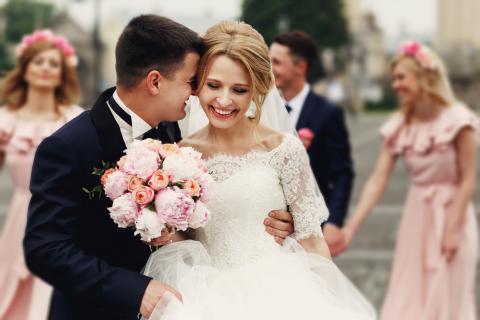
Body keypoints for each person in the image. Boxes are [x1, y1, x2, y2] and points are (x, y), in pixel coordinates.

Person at [23, 15, 293, 320]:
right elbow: (45, 248)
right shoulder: (69, 146)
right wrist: (134, 290)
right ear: (155, 81)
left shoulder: (173, 134)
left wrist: (270, 218)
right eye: (192, 82)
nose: (195, 93)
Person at [143, 20, 376, 320]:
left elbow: (311, 240)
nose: (224, 100)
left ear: (257, 90)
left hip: (280, 294)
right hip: (207, 299)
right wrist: (160, 229)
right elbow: (184, 241)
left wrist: (331, 303)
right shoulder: (180, 157)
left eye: (239, 89)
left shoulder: (284, 150)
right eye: (213, 85)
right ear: (197, 83)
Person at [342, 41, 478, 319]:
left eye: (401, 77)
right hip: (417, 220)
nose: (395, 84)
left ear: (425, 78)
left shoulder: (459, 121)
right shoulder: (399, 125)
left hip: (455, 219)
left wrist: (452, 230)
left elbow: (468, 180)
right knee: (408, 298)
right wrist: (350, 229)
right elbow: (377, 180)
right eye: (393, 78)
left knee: (449, 299)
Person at [0, 29, 83, 320]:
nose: (46, 68)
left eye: (53, 63)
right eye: (38, 62)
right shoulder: (5, 120)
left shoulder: (74, 118)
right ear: (25, 69)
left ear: (63, 73)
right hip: (19, 219)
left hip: (63, 220)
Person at [269, 31, 354, 256]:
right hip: (269, 228)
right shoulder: (263, 111)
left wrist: (335, 222)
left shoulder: (328, 113)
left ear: (300, 67)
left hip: (311, 227)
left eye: (276, 62)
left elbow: (342, 173)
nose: (269, 68)